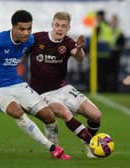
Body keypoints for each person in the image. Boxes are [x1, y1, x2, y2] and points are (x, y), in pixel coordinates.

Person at [0, 10, 71, 160]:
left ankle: (54, 151)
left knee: (49, 116)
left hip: (17, 84)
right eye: (22, 29)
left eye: (29, 29)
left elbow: (48, 45)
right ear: (13, 27)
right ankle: (53, 148)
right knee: (16, 112)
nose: (26, 33)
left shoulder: (30, 41)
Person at [29, 11, 101, 158]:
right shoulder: (37, 38)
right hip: (42, 94)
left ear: (68, 28)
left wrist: (80, 48)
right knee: (65, 114)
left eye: (63, 26)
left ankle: (87, 141)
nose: (59, 29)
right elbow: (20, 50)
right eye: (57, 25)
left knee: (96, 115)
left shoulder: (68, 42)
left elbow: (79, 58)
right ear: (52, 25)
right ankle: (92, 144)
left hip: (63, 88)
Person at [95, 10, 114, 92]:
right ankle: (104, 88)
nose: (96, 18)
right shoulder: (108, 25)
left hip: (99, 52)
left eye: (97, 16)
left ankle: (100, 88)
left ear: (100, 17)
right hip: (107, 52)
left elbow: (95, 39)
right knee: (105, 73)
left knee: (100, 73)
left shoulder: (100, 26)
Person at [109, 14, 125, 91]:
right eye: (112, 21)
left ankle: (115, 89)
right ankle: (108, 88)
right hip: (108, 55)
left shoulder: (119, 32)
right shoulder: (108, 30)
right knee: (108, 72)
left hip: (116, 55)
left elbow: (122, 44)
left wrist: (117, 48)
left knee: (115, 72)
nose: (113, 23)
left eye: (115, 21)